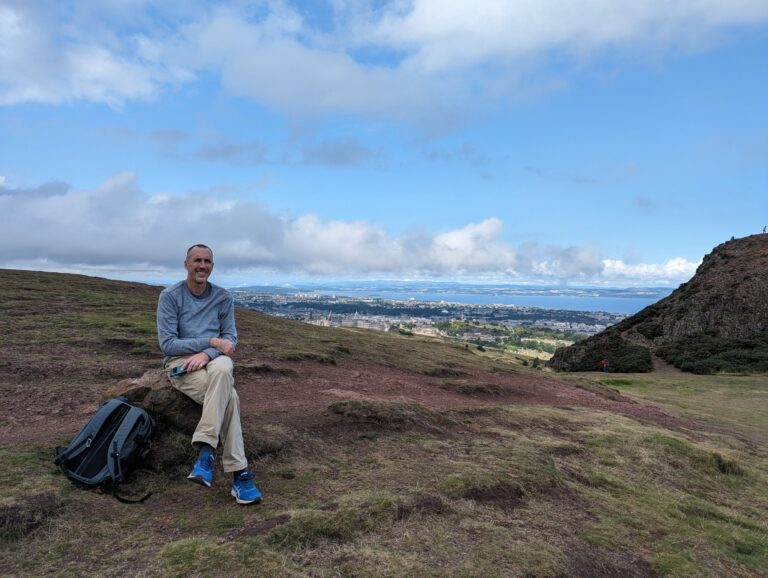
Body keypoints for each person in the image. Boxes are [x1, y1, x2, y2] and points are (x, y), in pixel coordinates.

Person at [156, 244, 262, 505]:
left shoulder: (223, 297)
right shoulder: (170, 297)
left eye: (207, 261)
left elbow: (230, 339)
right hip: (182, 364)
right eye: (197, 261)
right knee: (231, 398)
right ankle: (240, 474)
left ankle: (206, 452)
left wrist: (209, 353)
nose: (202, 266)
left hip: (214, 361)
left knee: (225, 367)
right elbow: (168, 344)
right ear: (186, 264)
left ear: (212, 266)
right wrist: (212, 343)